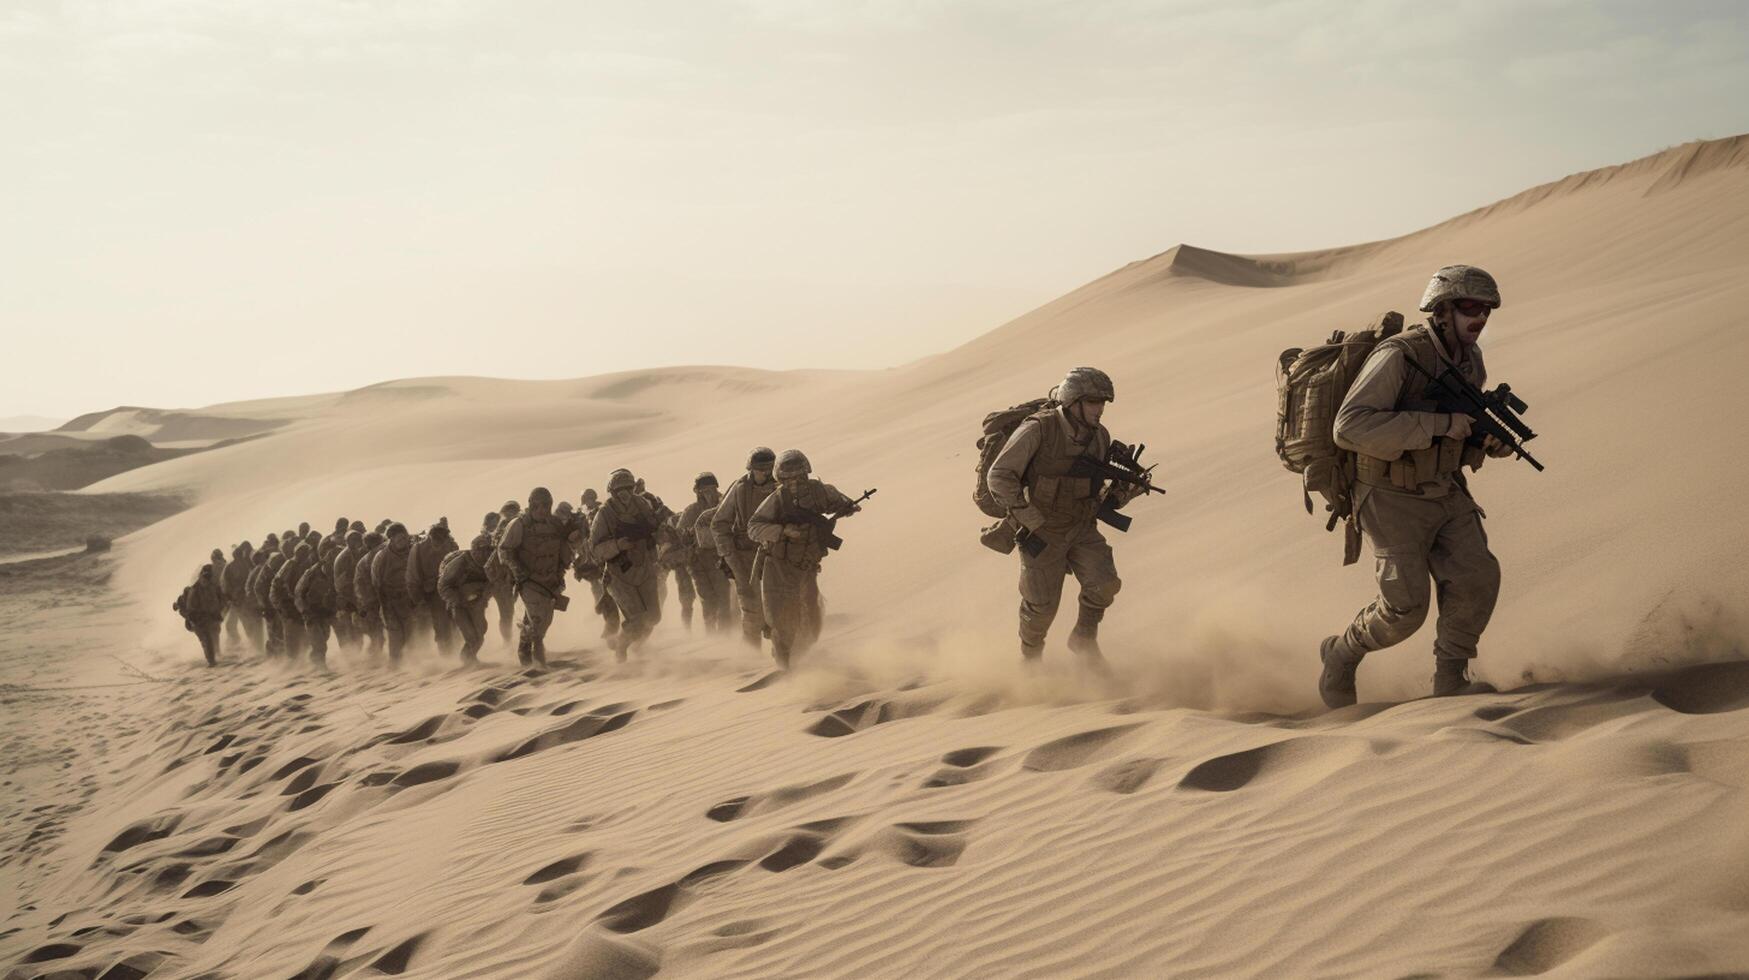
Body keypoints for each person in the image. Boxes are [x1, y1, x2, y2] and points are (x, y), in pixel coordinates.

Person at [1319, 265, 1511, 707]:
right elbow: (1349, 428)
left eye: (1486, 309)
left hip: (1443, 489)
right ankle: (1341, 654)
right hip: (1388, 497)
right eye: (1468, 307)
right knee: (1405, 610)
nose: (1479, 317)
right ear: (1441, 310)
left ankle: (1450, 680)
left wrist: (1485, 442)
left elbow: (1457, 435)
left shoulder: (1470, 359)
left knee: (1477, 577)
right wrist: (1440, 424)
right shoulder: (1400, 355)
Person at [987, 367, 1140, 667]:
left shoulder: (1099, 437)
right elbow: (1000, 476)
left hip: (1081, 525)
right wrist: (1028, 517)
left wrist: (1123, 491)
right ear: (1073, 402)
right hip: (1041, 531)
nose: (1100, 409)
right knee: (1041, 607)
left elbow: (1098, 492)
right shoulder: (1039, 430)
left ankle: (1084, 638)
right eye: (1094, 402)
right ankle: (1030, 660)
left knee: (1105, 583)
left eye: (1103, 403)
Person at [747, 450, 859, 669]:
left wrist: (848, 507)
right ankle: (786, 669)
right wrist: (783, 531)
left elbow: (840, 502)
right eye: (789, 478)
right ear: (781, 479)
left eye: (800, 476)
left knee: (813, 621)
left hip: (807, 568)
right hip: (778, 568)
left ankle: (803, 662)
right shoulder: (777, 500)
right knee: (781, 620)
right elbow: (754, 528)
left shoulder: (820, 491)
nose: (795, 482)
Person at [589, 469, 665, 660]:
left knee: (654, 617)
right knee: (637, 619)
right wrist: (617, 545)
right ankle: (621, 649)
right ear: (612, 492)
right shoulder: (605, 513)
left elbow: (654, 527)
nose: (624, 493)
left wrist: (659, 535)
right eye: (619, 489)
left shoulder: (642, 504)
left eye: (628, 488)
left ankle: (635, 645)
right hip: (619, 575)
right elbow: (595, 550)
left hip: (645, 568)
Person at [498, 488, 572, 667]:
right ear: (531, 505)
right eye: (538, 505)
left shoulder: (555, 524)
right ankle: (536, 664)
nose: (542, 509)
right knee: (538, 622)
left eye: (546, 505)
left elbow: (564, 548)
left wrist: (562, 568)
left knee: (543, 620)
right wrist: (517, 570)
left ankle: (525, 642)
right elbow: (505, 550)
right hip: (528, 580)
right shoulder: (519, 524)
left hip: (550, 581)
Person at [712, 447, 777, 649]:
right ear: (751, 469)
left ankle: (784, 653)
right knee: (751, 610)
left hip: (776, 554)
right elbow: (719, 524)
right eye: (761, 469)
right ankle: (751, 660)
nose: (766, 472)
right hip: (744, 557)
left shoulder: (781, 485)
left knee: (780, 607)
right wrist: (730, 556)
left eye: (770, 467)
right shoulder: (739, 488)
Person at [679, 472, 732, 633]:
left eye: (711, 489)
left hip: (723, 560)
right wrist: (687, 536)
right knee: (708, 599)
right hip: (699, 563)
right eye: (704, 491)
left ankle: (725, 635)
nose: (708, 494)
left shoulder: (727, 504)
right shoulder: (691, 511)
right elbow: (681, 537)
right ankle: (712, 636)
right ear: (698, 493)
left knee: (725, 599)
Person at [439, 533, 495, 664]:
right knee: (471, 636)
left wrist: (485, 594)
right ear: (475, 549)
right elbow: (443, 585)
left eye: (488, 550)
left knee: (481, 632)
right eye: (482, 550)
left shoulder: (491, 563)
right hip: (459, 605)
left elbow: (495, 581)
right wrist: (457, 600)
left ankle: (469, 658)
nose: (486, 553)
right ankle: (466, 661)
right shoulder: (460, 563)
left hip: (478, 603)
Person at [407, 519, 458, 655]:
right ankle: (444, 655)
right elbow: (412, 577)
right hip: (429, 592)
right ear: (430, 537)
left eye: (442, 538)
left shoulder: (451, 546)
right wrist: (418, 600)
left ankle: (460, 652)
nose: (439, 542)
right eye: (436, 538)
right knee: (438, 624)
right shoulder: (418, 549)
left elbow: (458, 567)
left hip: (449, 589)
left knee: (456, 622)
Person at [577, 490, 620, 640]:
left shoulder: (602, 512)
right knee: (599, 593)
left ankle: (612, 627)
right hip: (595, 561)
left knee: (610, 592)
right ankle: (609, 624)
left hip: (606, 557)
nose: (588, 502)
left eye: (590, 499)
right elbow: (585, 541)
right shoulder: (585, 517)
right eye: (586, 500)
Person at [372, 523, 417, 664]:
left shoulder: (414, 551)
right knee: (395, 634)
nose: (402, 542)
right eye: (399, 539)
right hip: (389, 601)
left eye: (404, 537)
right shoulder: (381, 557)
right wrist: (384, 605)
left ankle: (413, 664)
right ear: (391, 539)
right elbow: (376, 582)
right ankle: (395, 664)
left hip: (409, 600)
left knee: (411, 633)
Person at [484, 500, 522, 643]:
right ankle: (508, 643)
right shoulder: (499, 532)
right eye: (510, 511)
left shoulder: (519, 525)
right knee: (507, 613)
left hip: (514, 574)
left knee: (515, 611)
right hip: (502, 577)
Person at [174, 562, 226, 666]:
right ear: (201, 577)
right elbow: (191, 610)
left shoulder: (212, 587)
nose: (207, 579)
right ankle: (212, 662)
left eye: (209, 576)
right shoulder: (195, 591)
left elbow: (219, 601)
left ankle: (217, 655)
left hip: (211, 618)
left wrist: (217, 612)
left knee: (215, 634)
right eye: (205, 577)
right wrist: (199, 618)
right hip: (198, 621)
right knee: (206, 639)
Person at [272, 542, 316, 660]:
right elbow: (279, 583)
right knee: (291, 629)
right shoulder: (290, 564)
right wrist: (286, 600)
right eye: (302, 551)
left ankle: (302, 656)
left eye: (306, 552)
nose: (305, 554)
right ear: (297, 552)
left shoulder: (306, 564)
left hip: (297, 599)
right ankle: (292, 658)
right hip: (285, 601)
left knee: (302, 628)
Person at [295, 550, 338, 668]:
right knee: (319, 643)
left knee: (324, 638)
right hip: (310, 612)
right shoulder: (311, 574)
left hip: (323, 611)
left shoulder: (334, 572)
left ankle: (317, 662)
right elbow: (299, 593)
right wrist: (305, 611)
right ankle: (319, 667)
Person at [352, 531, 387, 654]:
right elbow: (360, 585)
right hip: (378, 600)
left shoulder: (363, 562)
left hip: (374, 600)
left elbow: (359, 586)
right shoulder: (385, 554)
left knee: (378, 635)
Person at [331, 530, 366, 649]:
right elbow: (342, 584)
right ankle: (351, 658)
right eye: (353, 539)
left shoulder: (357, 553)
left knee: (358, 630)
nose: (357, 542)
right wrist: (353, 600)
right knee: (351, 632)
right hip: (347, 599)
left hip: (356, 596)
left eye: (358, 539)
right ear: (347, 542)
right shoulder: (344, 557)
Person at [221, 541, 255, 649]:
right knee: (244, 622)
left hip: (242, 599)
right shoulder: (245, 563)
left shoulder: (239, 565)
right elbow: (226, 584)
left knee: (245, 622)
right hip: (241, 599)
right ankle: (250, 644)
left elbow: (226, 585)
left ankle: (252, 645)